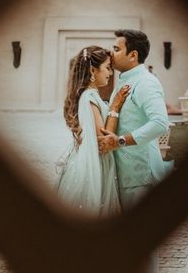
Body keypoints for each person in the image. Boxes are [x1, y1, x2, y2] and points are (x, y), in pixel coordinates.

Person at [55, 46, 131, 218]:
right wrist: (115, 106)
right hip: (96, 165)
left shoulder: (89, 95)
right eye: (107, 68)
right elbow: (102, 141)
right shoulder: (89, 98)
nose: (110, 73)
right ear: (92, 70)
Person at [100, 29, 173, 210]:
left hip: (140, 175)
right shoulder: (124, 81)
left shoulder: (145, 82)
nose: (111, 53)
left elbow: (160, 123)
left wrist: (120, 141)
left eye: (116, 49)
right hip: (124, 172)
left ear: (133, 55)